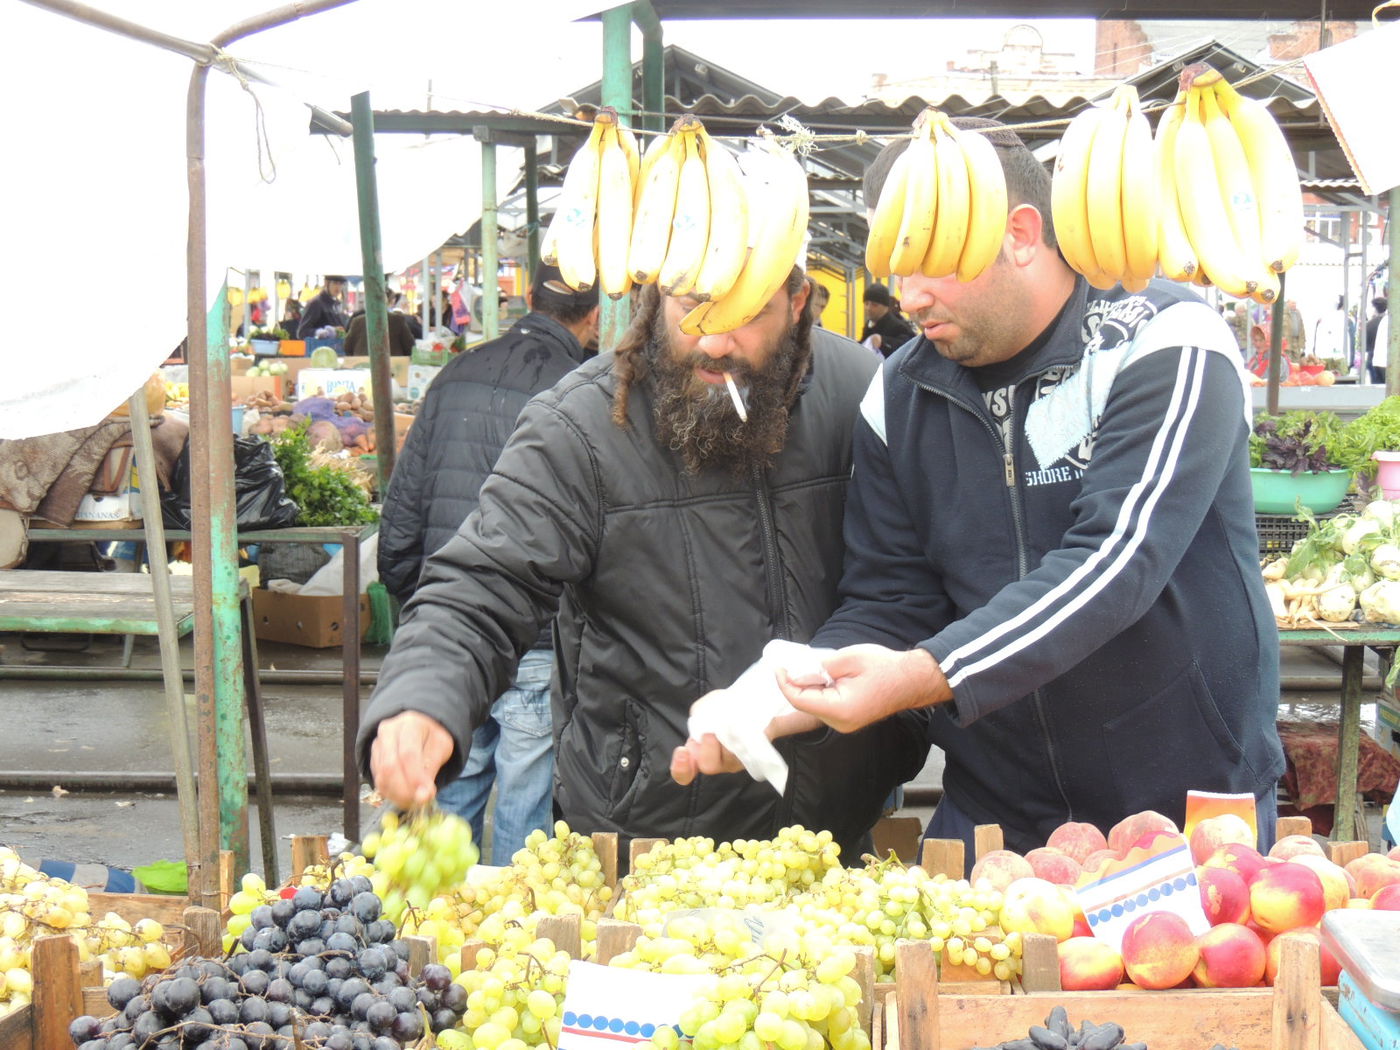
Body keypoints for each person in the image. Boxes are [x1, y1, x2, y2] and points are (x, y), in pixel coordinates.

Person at [675, 117, 1286, 861]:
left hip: (1180, 807)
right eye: (895, 267)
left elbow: (1116, 562)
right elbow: (890, 598)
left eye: (930, 262)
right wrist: (775, 697)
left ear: (1022, 234)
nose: (907, 296)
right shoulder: (898, 393)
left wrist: (928, 675)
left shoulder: (1164, 339)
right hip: (998, 815)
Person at [360, 266, 918, 858]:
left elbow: (908, 579)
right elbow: (482, 583)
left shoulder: (865, 388)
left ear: (798, 300)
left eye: (746, 312)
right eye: (693, 306)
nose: (714, 341)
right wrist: (423, 696)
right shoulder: (581, 425)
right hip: (651, 840)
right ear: (657, 293)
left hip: (835, 832)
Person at [376, 265, 600, 862]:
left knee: (449, 781)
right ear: (597, 315)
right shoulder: (585, 389)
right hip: (540, 632)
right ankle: (511, 931)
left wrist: (415, 598)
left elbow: (401, 512)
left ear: (527, 298)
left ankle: (436, 927)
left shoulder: (455, 375)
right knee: (526, 801)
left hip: (453, 633)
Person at [344, 286, 418, 358]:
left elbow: (347, 347)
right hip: (392, 365)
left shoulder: (357, 321)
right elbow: (410, 347)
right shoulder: (397, 320)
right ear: (386, 303)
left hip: (362, 365)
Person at [860, 284, 917, 357]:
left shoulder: (897, 325)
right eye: (866, 304)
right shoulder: (870, 324)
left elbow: (910, 345)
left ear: (885, 307)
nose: (868, 308)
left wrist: (883, 342)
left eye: (874, 305)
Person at [1367, 298, 1388, 384]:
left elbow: (1365, 344)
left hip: (1374, 358)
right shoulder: (1390, 320)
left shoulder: (1370, 324)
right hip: (1387, 360)